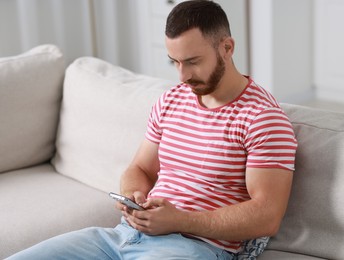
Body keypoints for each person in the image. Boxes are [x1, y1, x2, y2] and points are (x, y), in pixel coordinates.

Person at [8, 1, 297, 259]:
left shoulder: (262, 119)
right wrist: (133, 197)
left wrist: (179, 220)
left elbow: (266, 215)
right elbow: (140, 169)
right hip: (121, 237)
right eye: (175, 62)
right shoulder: (171, 100)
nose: (182, 76)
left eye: (193, 62)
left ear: (227, 47)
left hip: (193, 247)